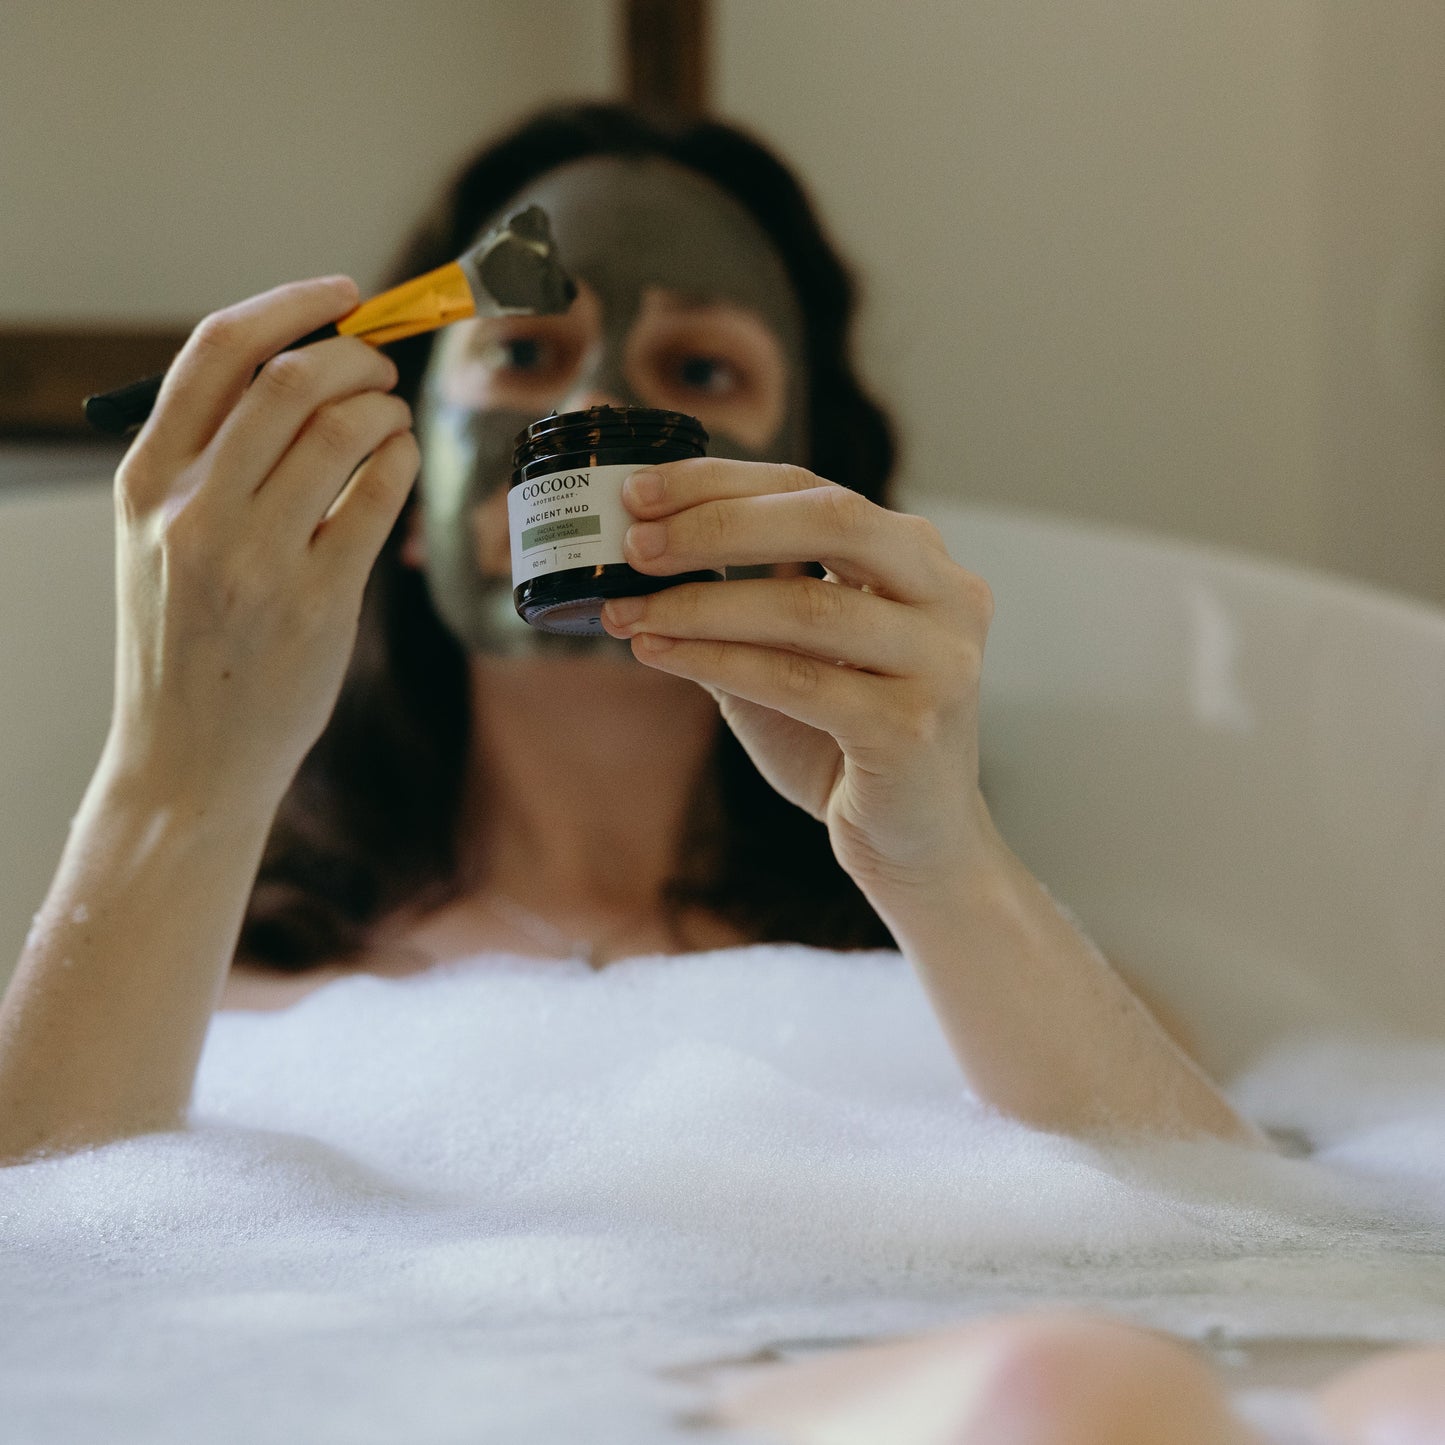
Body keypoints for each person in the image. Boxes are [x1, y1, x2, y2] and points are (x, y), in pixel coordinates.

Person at [0, 103, 1263, 1165]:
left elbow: (1243, 1255)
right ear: (410, 500)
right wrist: (178, 772)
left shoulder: (981, 997)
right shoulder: (202, 1018)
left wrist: (939, 859)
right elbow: (55, 1292)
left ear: (802, 490)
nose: (596, 408)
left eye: (699, 371)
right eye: (527, 351)